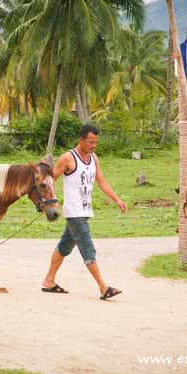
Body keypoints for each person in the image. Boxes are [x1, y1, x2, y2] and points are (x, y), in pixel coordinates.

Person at [41, 124, 127, 300]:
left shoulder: (94, 158)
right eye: (90, 142)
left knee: (64, 246)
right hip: (74, 212)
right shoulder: (67, 158)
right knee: (88, 248)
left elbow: (101, 181)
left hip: (85, 210)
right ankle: (103, 287)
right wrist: (49, 202)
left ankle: (49, 281)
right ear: (81, 140)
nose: (93, 145)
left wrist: (117, 199)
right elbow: (50, 181)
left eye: (95, 142)